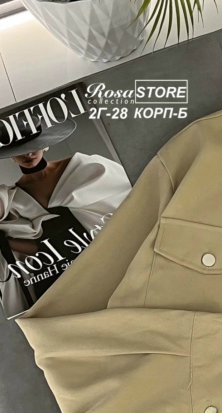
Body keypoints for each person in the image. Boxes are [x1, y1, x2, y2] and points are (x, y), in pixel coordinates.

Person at [0, 112, 131, 317]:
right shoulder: (11, 200)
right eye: (20, 150)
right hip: (53, 280)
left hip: (101, 266)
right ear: (10, 156)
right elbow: (34, 248)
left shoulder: (86, 169)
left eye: (33, 146)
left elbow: (132, 204)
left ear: (45, 145)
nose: (28, 154)